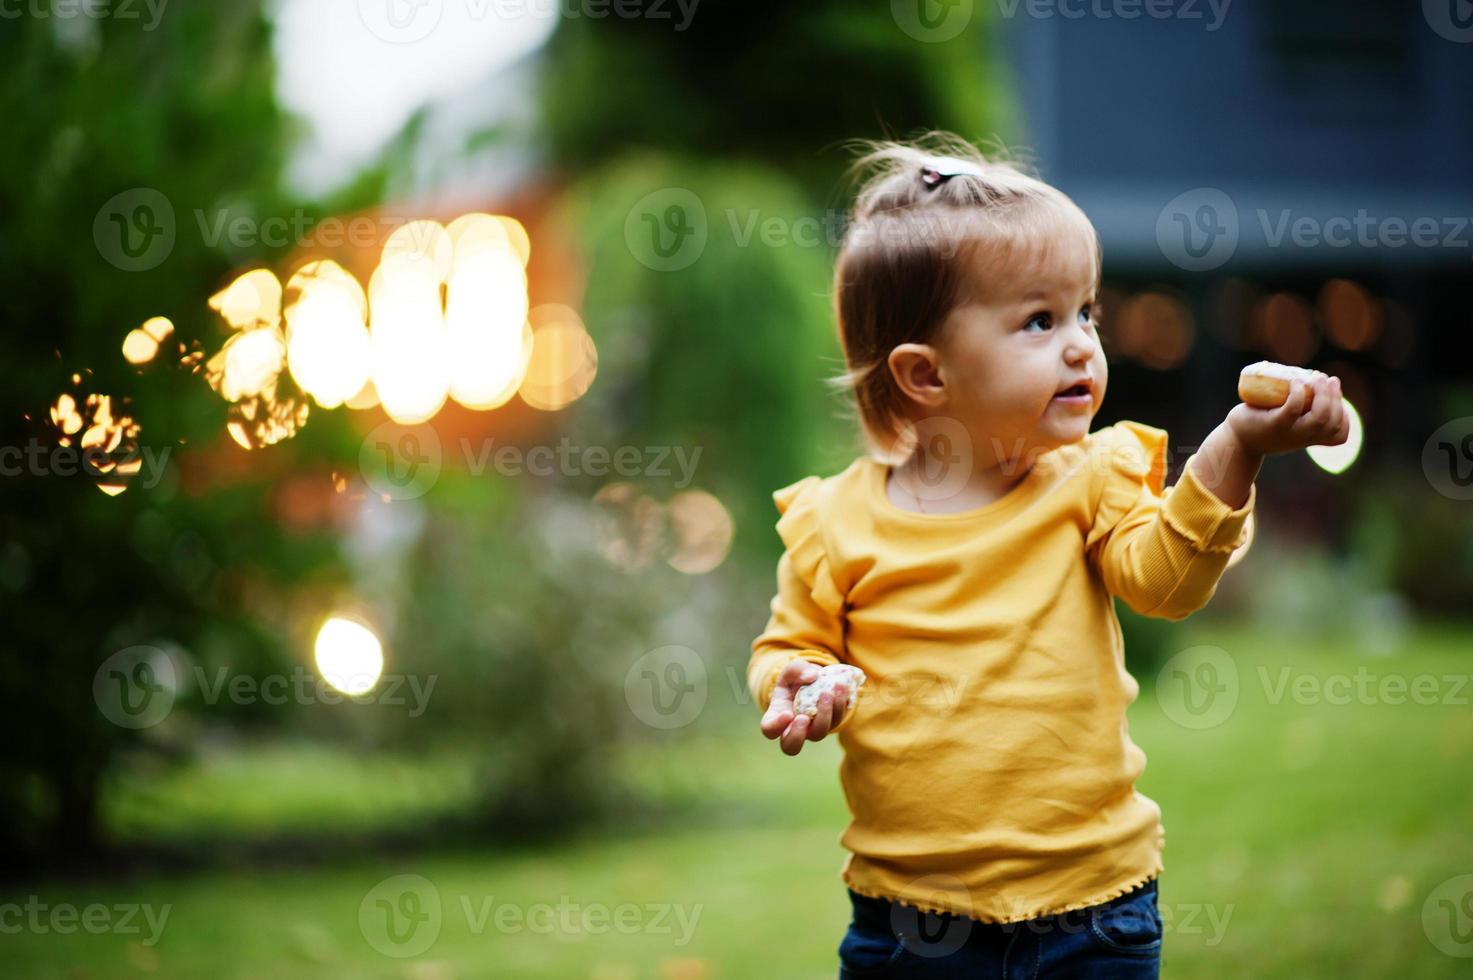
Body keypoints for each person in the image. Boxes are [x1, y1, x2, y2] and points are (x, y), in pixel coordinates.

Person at [746, 133, 1349, 978]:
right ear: (925, 375)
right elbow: (786, 646)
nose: (1081, 345)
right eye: (1039, 320)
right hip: (910, 923)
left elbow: (1164, 583)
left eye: (1084, 312)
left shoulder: (1091, 479)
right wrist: (798, 682)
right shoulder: (833, 522)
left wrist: (1236, 447)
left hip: (1093, 909)